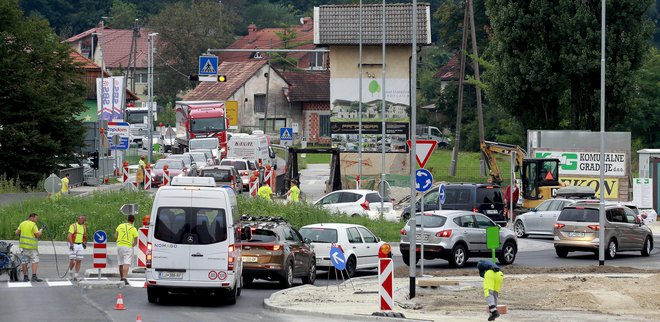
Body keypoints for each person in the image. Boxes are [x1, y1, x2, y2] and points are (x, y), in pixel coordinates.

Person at [15, 213, 44, 282]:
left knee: (24, 261)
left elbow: (17, 232)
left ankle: (25, 277)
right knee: (35, 260)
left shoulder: (22, 223)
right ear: (32, 217)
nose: (36, 220)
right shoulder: (33, 225)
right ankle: (34, 276)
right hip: (32, 247)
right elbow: (37, 235)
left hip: (24, 247)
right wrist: (41, 229)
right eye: (36, 218)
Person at [115, 214, 139, 285]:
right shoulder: (134, 229)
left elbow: (115, 236)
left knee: (120, 263)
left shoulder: (120, 225)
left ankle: (121, 277)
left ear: (127, 219)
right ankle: (125, 278)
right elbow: (135, 241)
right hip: (128, 246)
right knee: (126, 263)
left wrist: (119, 241)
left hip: (119, 245)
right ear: (133, 220)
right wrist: (132, 246)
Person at [67, 215, 87, 281]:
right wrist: (71, 244)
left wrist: (84, 242)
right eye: (80, 219)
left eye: (83, 219)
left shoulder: (84, 227)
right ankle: (70, 272)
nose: (81, 220)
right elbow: (69, 235)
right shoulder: (73, 226)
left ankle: (76, 275)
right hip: (73, 244)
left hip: (80, 245)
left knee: (79, 260)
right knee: (72, 261)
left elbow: (84, 236)